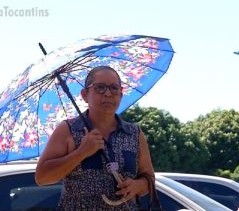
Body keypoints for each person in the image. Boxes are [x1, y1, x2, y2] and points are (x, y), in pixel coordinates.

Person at [35, 66, 155, 210]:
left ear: (121, 94)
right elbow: (42, 177)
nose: (108, 93)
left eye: (114, 88)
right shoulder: (67, 130)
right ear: (85, 94)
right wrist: (81, 152)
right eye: (100, 88)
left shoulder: (134, 133)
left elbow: (149, 179)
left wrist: (137, 186)